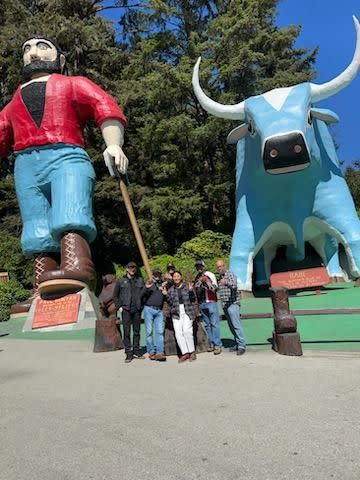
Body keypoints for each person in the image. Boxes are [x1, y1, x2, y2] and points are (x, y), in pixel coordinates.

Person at [0, 36, 128, 314]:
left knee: (70, 210)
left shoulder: (73, 84)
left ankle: (76, 265)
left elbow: (103, 106)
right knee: (36, 223)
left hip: (66, 155)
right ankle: (41, 285)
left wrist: (114, 144)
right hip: (26, 163)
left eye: (42, 46)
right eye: (27, 48)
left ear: (61, 60)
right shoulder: (14, 100)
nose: (33, 53)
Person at [113, 261, 144, 363]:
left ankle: (136, 351)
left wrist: (141, 306)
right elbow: (115, 295)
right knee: (127, 332)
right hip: (126, 310)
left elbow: (143, 294)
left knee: (137, 331)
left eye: (134, 268)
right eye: (130, 267)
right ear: (127, 269)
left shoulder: (140, 280)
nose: (132, 269)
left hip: (137, 310)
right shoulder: (121, 281)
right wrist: (119, 306)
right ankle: (128, 353)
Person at [164, 271, 196, 363]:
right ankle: (185, 352)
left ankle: (192, 351)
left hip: (187, 311)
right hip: (176, 312)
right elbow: (170, 302)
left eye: (178, 276)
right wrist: (166, 295)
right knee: (178, 333)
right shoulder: (171, 289)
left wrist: (190, 291)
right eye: (174, 276)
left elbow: (193, 299)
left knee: (187, 331)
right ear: (173, 278)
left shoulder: (187, 286)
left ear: (181, 277)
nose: (176, 278)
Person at [216, 260, 246, 355]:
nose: (220, 268)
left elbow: (234, 285)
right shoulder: (220, 277)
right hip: (225, 305)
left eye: (221, 266)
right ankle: (237, 343)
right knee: (231, 326)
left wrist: (226, 282)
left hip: (233, 304)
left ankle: (242, 345)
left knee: (236, 325)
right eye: (218, 267)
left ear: (225, 266)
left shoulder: (230, 274)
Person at [194, 259, 222, 355]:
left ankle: (217, 345)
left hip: (211, 301)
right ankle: (211, 344)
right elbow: (196, 292)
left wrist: (206, 282)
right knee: (207, 325)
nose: (199, 268)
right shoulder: (196, 277)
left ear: (203, 266)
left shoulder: (209, 274)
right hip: (202, 304)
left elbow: (215, 288)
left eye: (200, 266)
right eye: (197, 266)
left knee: (214, 324)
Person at [142, 268, 167, 361]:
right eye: (155, 274)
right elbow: (142, 295)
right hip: (148, 309)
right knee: (149, 332)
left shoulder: (163, 284)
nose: (157, 276)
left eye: (158, 274)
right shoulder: (149, 283)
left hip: (159, 310)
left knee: (160, 332)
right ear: (152, 275)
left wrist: (164, 291)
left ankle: (160, 352)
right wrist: (146, 287)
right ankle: (151, 351)